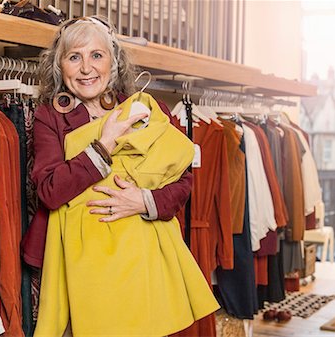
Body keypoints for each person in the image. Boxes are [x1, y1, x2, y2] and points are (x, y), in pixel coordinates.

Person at [25, 16, 219, 337]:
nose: (86, 68)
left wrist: (144, 201)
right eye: (75, 57)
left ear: (114, 62)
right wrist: (104, 145)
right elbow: (49, 190)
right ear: (60, 67)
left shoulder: (146, 107)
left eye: (96, 56)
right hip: (82, 269)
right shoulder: (50, 118)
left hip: (139, 263)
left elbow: (182, 177)